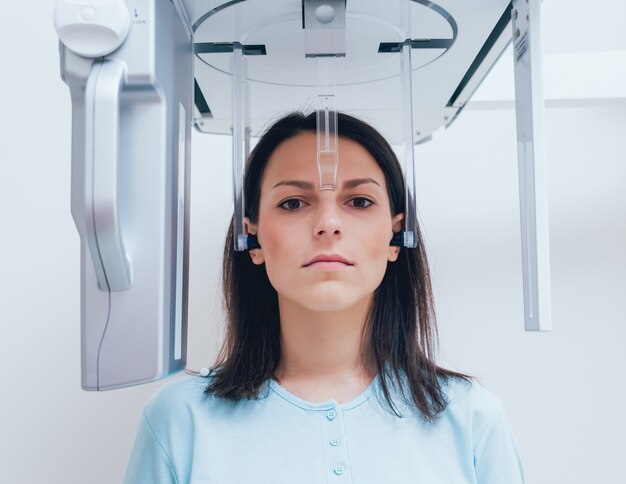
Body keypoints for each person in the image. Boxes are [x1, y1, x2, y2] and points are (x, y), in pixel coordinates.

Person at [123, 112, 524, 483]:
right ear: (253, 237)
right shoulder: (179, 421)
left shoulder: (471, 419)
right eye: (293, 203)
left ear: (395, 235)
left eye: (359, 201)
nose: (328, 224)